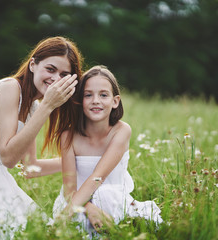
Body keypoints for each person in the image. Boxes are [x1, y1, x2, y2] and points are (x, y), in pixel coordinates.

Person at [0, 36, 83, 239]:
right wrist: (48, 106)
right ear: (32, 65)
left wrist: (76, 161)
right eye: (50, 69)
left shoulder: (33, 107)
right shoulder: (9, 88)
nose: (56, 79)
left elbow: (30, 168)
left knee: (45, 233)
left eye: (64, 74)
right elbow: (8, 158)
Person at [52, 65, 163, 237]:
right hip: (76, 202)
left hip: (114, 200)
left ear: (115, 101)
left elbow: (98, 177)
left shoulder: (121, 131)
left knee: (113, 207)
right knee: (76, 225)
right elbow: (69, 189)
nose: (96, 100)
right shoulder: (68, 136)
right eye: (88, 95)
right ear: (80, 101)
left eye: (103, 95)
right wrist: (88, 208)